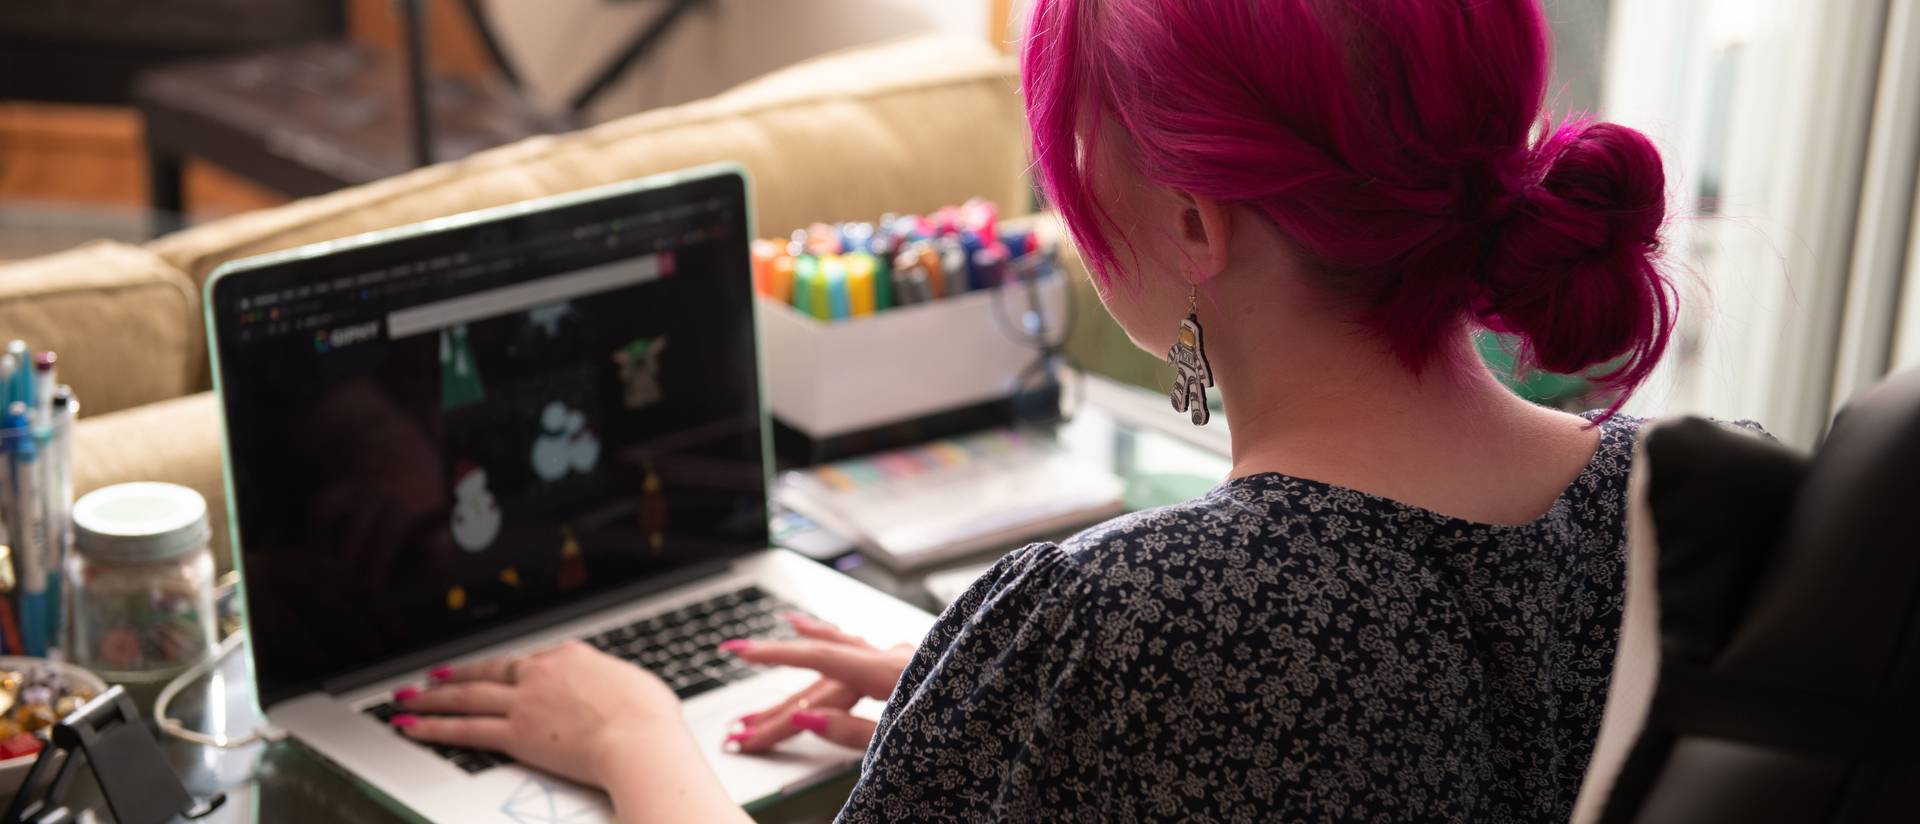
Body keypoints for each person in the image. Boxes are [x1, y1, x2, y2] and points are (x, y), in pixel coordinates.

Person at [393, 0, 1692, 819]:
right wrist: (991, 711)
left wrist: (634, 742)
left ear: (1193, 223)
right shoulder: (1690, 511)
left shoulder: (1113, 625)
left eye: (1074, 152)